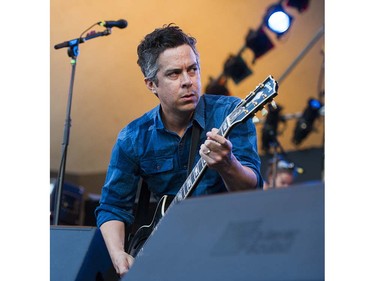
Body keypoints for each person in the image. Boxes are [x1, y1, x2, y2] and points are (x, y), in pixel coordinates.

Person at [95, 23, 263, 277]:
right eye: (174, 74)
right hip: (167, 253)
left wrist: (228, 164)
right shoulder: (133, 137)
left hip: (225, 246)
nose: (188, 81)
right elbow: (112, 206)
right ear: (152, 84)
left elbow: (253, 190)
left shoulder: (230, 113)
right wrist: (118, 254)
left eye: (192, 69)